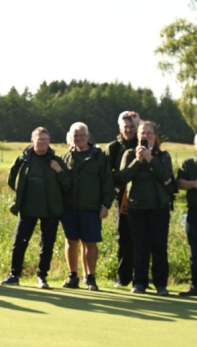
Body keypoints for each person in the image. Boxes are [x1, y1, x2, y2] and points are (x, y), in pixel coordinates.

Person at [3, 127, 70, 288]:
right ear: (32, 141)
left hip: (50, 210)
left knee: (46, 245)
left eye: (45, 140)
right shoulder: (23, 160)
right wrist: (20, 195)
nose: (42, 142)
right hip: (27, 209)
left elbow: (67, 185)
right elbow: (11, 180)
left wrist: (59, 171)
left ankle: (42, 276)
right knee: (19, 242)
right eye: (39, 139)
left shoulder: (56, 161)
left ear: (49, 142)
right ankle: (14, 275)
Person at [117, 120, 174, 295]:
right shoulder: (129, 154)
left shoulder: (163, 156)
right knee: (139, 246)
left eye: (149, 133)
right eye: (142, 133)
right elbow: (121, 178)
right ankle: (139, 282)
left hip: (159, 207)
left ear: (155, 137)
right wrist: (137, 160)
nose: (146, 136)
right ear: (138, 135)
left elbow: (168, 179)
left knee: (159, 246)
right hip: (136, 207)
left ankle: (161, 284)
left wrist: (151, 160)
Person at [59, 122, 113, 291]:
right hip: (69, 208)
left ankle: (90, 277)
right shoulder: (66, 157)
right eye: (75, 135)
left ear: (88, 136)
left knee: (90, 243)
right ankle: (72, 276)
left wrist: (106, 205)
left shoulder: (99, 156)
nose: (79, 138)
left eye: (82, 135)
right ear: (71, 137)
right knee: (71, 241)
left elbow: (107, 183)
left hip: (91, 208)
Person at [108, 109, 139, 287]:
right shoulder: (113, 148)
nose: (128, 129)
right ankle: (123, 277)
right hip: (122, 199)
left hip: (142, 198)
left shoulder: (142, 142)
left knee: (140, 238)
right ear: (120, 128)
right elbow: (108, 175)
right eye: (125, 126)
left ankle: (139, 277)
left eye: (131, 126)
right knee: (123, 238)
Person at [176, 130, 197, 297]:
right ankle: (196, 286)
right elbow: (179, 183)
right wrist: (194, 184)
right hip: (194, 215)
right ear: (194, 144)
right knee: (195, 253)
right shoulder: (188, 164)